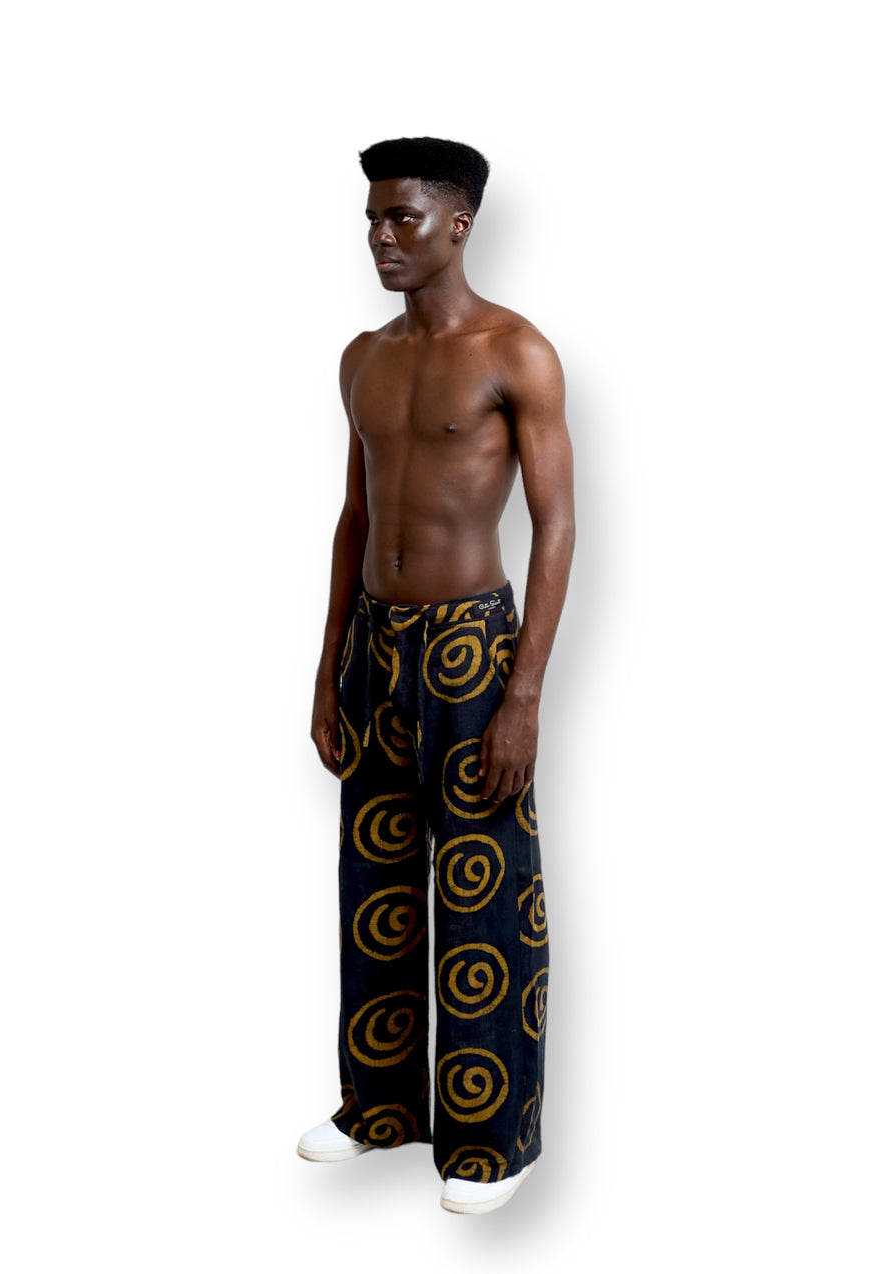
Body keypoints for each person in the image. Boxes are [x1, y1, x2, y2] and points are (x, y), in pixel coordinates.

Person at [297, 137, 575, 1214]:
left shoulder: (519, 351)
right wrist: (327, 671)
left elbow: (555, 526)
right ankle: (378, 1107)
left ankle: (492, 1140)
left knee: (482, 893)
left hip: (472, 651)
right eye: (372, 218)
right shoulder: (362, 358)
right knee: (373, 885)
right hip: (375, 645)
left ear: (458, 225)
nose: (380, 236)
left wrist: (524, 693)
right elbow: (354, 516)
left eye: (401, 218)